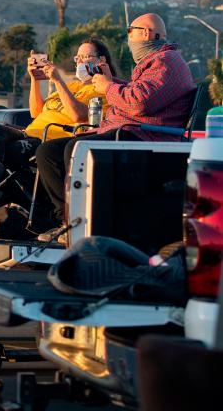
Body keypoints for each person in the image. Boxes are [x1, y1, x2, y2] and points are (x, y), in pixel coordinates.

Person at [34, 13, 196, 241]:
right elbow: (137, 92)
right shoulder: (153, 62)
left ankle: (82, 226)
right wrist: (113, 82)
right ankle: (67, 220)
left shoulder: (167, 61)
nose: (128, 38)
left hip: (144, 138)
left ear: (146, 33)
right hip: (130, 132)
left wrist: (108, 87)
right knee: (47, 152)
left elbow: (140, 103)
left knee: (77, 148)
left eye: (130, 31)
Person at [0, 39, 114, 239]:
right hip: (30, 132)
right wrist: (35, 81)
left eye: (85, 57)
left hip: (52, 139)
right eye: (78, 57)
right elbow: (37, 112)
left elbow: (76, 116)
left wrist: (57, 81)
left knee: (2, 156)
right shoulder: (72, 85)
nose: (80, 62)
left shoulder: (103, 89)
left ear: (101, 60)